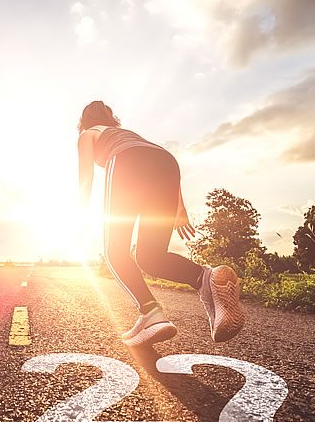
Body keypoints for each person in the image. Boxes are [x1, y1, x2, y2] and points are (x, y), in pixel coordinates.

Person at [77, 100, 245, 347]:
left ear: (85, 120)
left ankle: (150, 313)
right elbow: (153, 158)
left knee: (115, 250)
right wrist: (180, 209)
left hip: (127, 161)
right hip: (166, 163)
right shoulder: (126, 133)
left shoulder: (87, 134)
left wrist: (79, 215)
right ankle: (205, 278)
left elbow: (86, 177)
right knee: (150, 257)